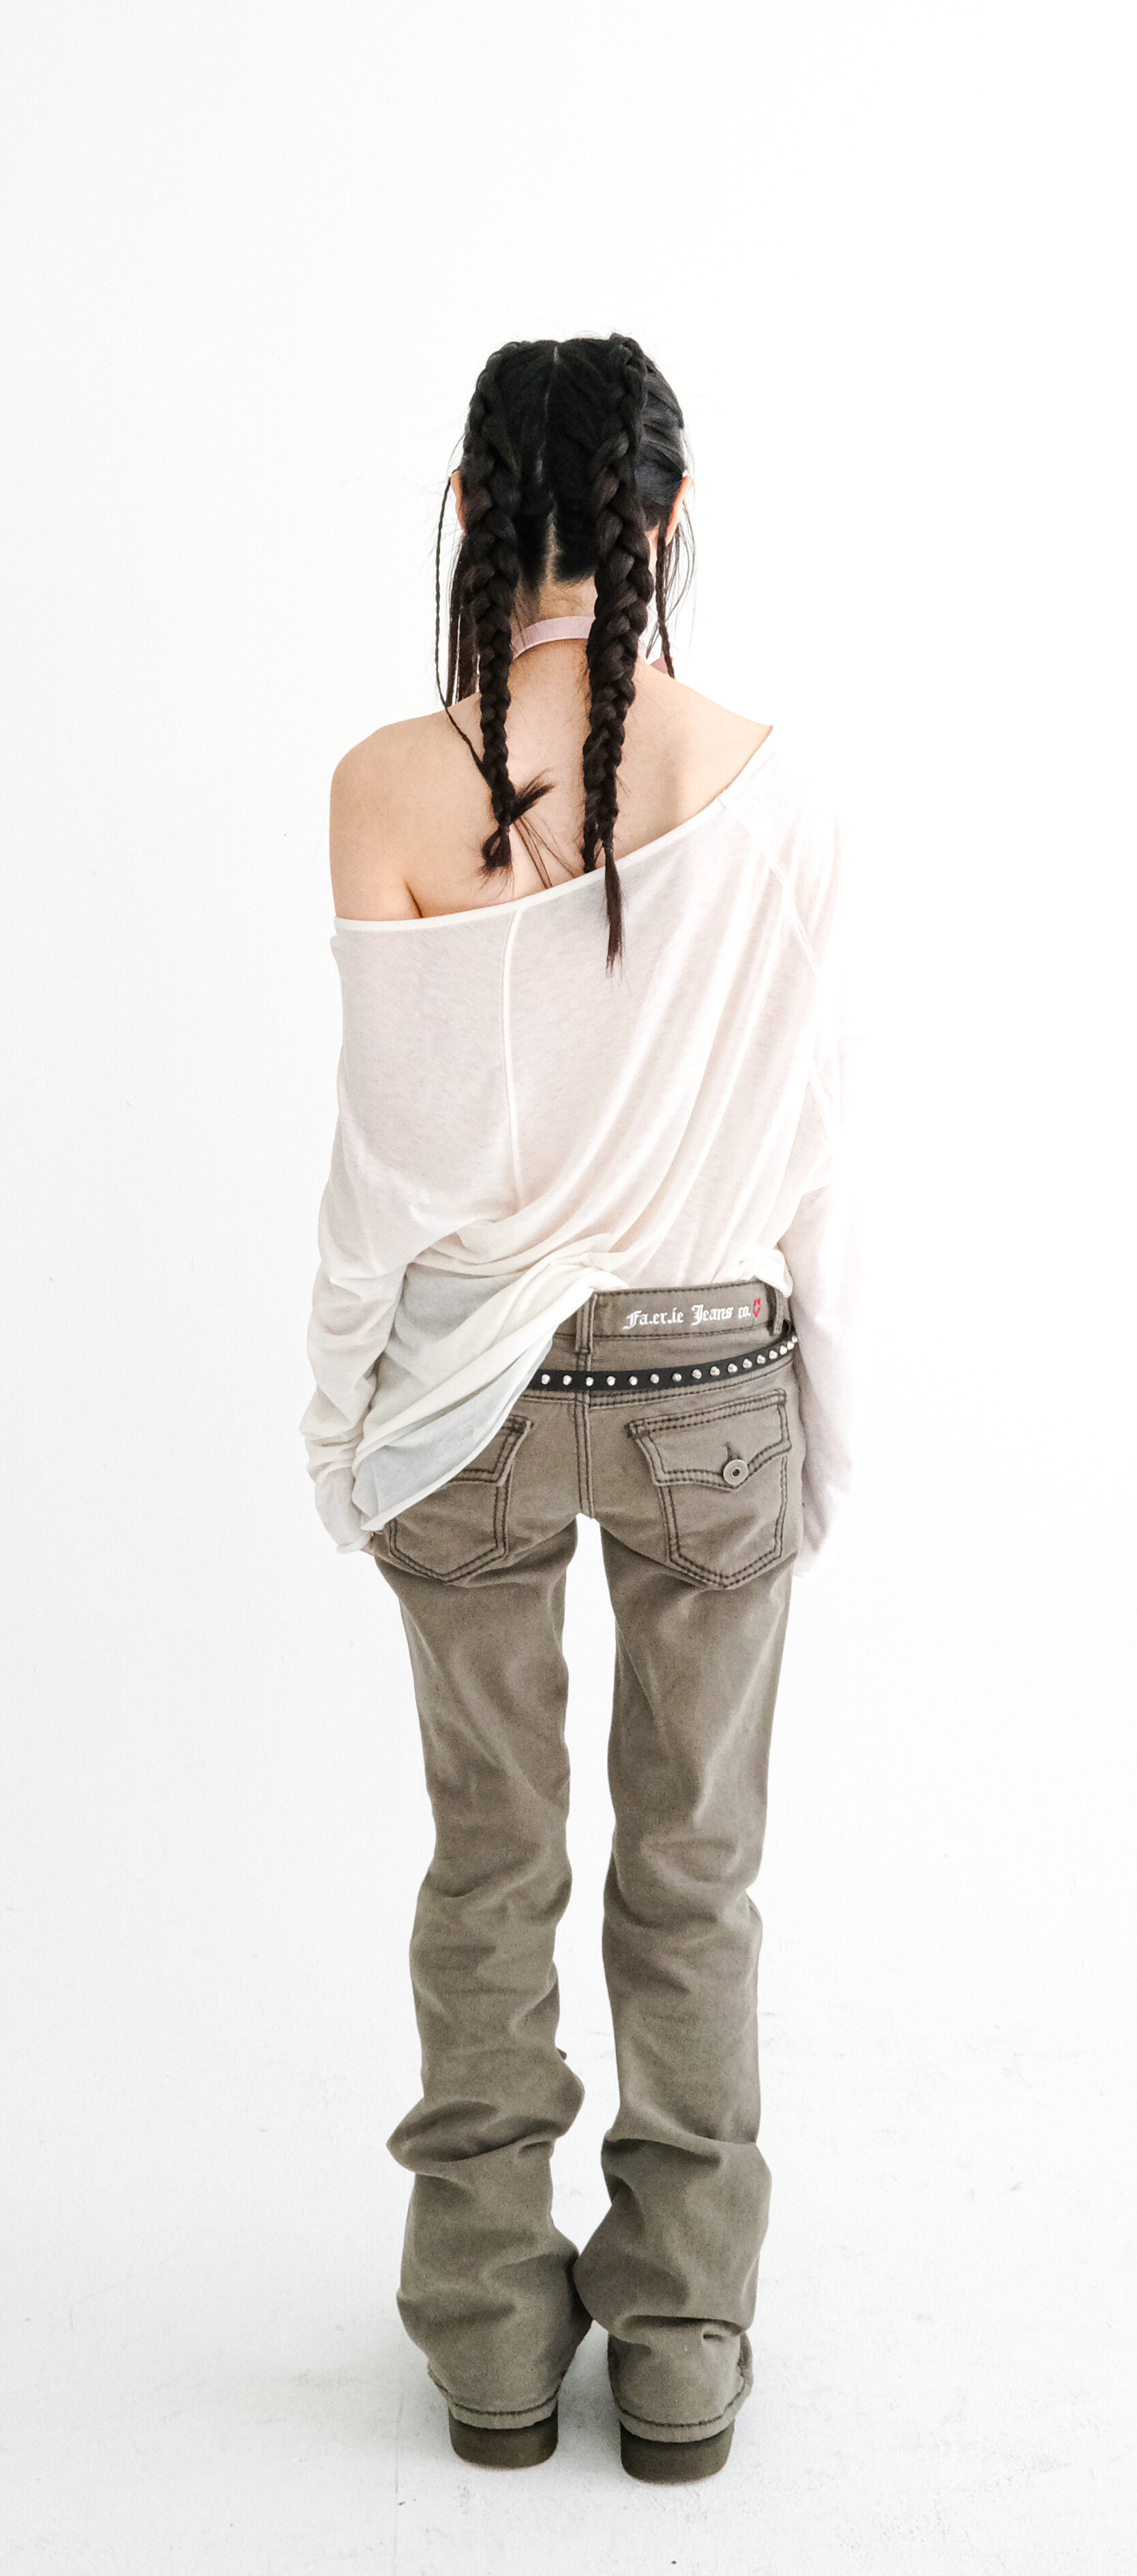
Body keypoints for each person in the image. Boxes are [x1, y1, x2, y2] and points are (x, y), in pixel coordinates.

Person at [301, 333, 861, 2484]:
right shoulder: (781, 784)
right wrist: (826, 1416)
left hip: (465, 1394)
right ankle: (685, 2346)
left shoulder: (387, 784)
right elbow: (812, 1157)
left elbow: (392, 1171)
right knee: (695, 1871)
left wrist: (336, 1406)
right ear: (668, 515)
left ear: (466, 507)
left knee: (488, 1862)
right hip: (717, 1380)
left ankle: (488, 2345)